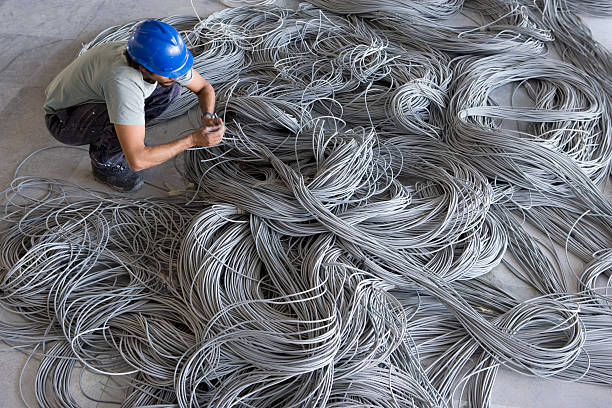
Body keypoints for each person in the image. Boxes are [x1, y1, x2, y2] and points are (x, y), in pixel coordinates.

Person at [43, 20, 225, 192]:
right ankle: (104, 164)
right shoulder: (124, 82)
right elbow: (138, 160)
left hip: (90, 96)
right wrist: (192, 140)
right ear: (144, 69)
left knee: (170, 89)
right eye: (169, 74)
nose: (176, 76)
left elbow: (204, 88)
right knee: (126, 129)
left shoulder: (154, 57)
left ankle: (129, 138)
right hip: (63, 119)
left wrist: (207, 116)